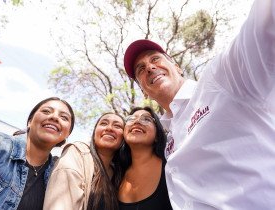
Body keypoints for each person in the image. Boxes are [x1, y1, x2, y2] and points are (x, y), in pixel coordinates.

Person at [122, 0, 275, 209]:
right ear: (143, 90)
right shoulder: (167, 139)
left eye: (155, 59)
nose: (149, 67)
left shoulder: (221, 79)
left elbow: (264, 26)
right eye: (140, 69)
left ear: (177, 67)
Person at [0, 97, 75, 210]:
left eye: (64, 117)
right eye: (46, 111)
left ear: (67, 134)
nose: (54, 117)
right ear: (30, 122)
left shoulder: (58, 174)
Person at [43, 112, 125, 210]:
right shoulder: (77, 153)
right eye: (103, 123)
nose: (109, 128)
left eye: (117, 126)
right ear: (94, 133)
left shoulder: (120, 175)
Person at [118, 106, 172, 210]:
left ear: (157, 135)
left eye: (146, 119)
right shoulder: (117, 173)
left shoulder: (171, 166)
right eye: (131, 119)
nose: (137, 121)